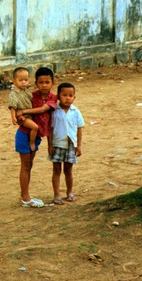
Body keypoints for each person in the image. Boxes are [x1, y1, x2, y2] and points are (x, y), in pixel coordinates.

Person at [14, 67, 57, 208]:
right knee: (25, 165)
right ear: (36, 83)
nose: (44, 85)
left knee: (29, 165)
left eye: (47, 82)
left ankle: (25, 195)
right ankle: (25, 197)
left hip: (36, 137)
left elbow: (46, 114)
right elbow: (15, 104)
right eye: (41, 82)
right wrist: (17, 114)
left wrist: (50, 144)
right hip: (24, 134)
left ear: (52, 83)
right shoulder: (30, 96)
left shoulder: (53, 99)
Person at [48, 82, 85, 205]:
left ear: (75, 97)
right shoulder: (54, 111)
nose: (68, 98)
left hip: (71, 145)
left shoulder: (75, 111)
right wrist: (49, 145)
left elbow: (79, 128)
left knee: (68, 170)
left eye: (71, 95)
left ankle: (70, 192)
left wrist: (78, 145)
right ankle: (57, 195)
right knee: (56, 170)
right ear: (58, 96)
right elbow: (50, 130)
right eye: (64, 95)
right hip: (57, 144)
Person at [8, 67, 40, 152]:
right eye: (20, 80)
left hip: (29, 115)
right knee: (35, 127)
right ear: (14, 81)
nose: (23, 82)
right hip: (22, 116)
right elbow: (12, 106)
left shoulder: (27, 91)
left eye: (25, 80)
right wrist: (13, 117)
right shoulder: (14, 94)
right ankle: (32, 142)